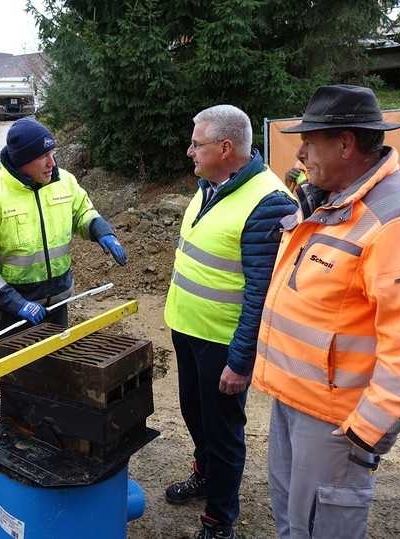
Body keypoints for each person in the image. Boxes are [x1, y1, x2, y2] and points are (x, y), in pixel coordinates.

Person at [252, 85, 400, 539]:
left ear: (345, 144)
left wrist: (366, 432)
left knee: (323, 529)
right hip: (296, 403)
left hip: (337, 423)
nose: (300, 153)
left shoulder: (399, 219)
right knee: (293, 522)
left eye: (310, 141)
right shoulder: (329, 201)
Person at [163, 105, 297, 539]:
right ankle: (205, 477)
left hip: (222, 341)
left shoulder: (267, 201)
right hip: (187, 329)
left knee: (223, 432)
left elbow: (260, 295)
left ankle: (220, 519)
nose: (189, 151)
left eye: (197, 144)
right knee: (194, 415)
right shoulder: (210, 184)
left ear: (225, 147)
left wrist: (240, 361)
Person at [0, 117, 126, 332]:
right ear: (22, 161)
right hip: (14, 313)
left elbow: (82, 212)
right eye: (43, 156)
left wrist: (101, 231)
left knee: (57, 363)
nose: (52, 163)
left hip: (58, 302)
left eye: (52, 153)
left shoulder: (64, 182)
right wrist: (16, 303)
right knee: (21, 366)